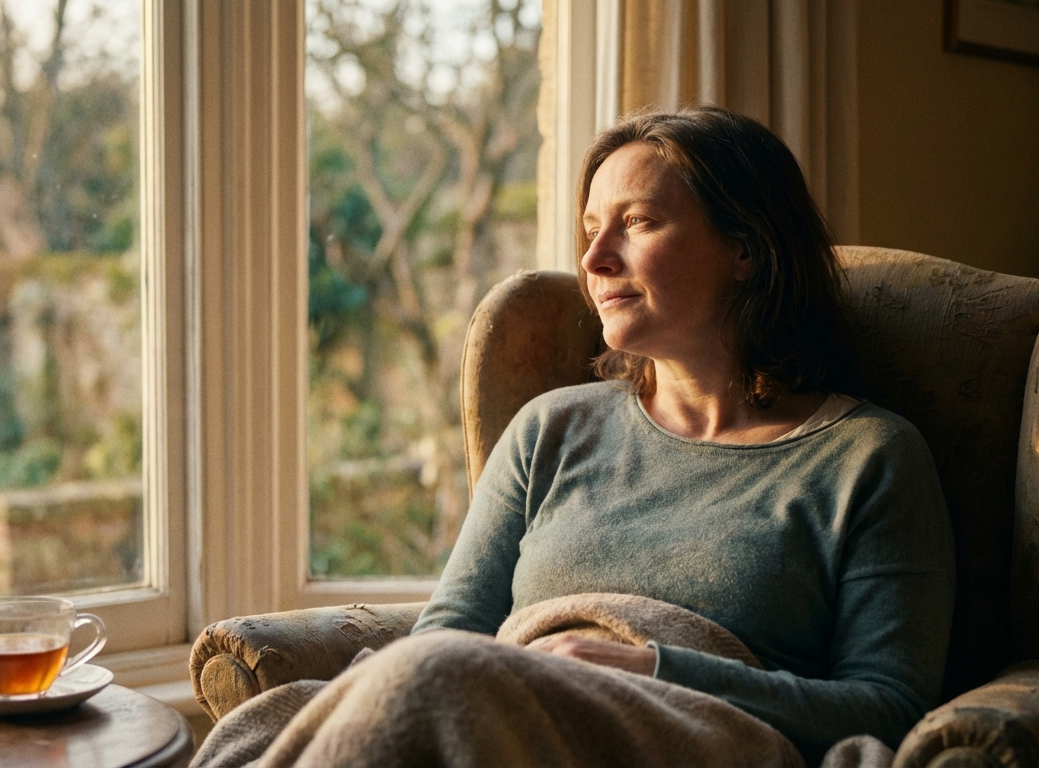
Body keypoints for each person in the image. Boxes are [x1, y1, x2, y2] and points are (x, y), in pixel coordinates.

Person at [237, 106, 956, 768]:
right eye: (590, 231)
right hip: (511, 726)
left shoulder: (868, 458)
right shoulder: (551, 430)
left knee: (433, 674)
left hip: (700, 739)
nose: (595, 260)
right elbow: (447, 632)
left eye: (637, 223)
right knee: (268, 721)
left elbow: (889, 708)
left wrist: (651, 667)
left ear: (746, 247)